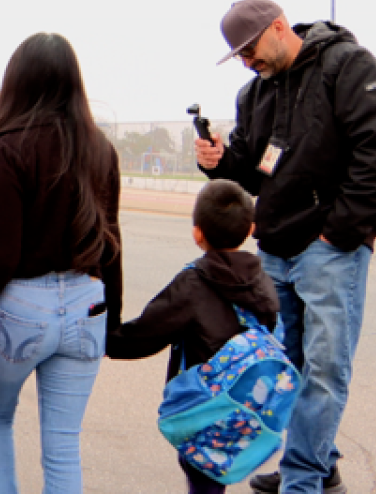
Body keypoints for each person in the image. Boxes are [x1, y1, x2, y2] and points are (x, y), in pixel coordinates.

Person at [197, 0, 376, 494]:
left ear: (278, 27)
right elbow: (252, 171)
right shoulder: (255, 94)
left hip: (329, 249)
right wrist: (218, 161)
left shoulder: (347, 66)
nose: (248, 62)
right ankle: (317, 463)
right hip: (275, 248)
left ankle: (302, 480)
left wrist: (338, 229)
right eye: (239, 56)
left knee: (323, 370)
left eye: (250, 50)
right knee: (284, 371)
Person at [0, 32, 122, 494]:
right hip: (88, 303)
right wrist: (113, 322)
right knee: (64, 445)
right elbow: (112, 244)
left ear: (17, 82)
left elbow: (2, 258)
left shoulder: (5, 149)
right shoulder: (101, 150)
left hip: (21, 307)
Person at [107, 179, 279, 494]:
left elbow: (147, 333)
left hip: (204, 407)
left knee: (202, 480)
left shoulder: (193, 284)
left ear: (197, 233)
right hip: (246, 405)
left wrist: (106, 341)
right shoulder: (263, 281)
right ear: (250, 228)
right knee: (215, 479)